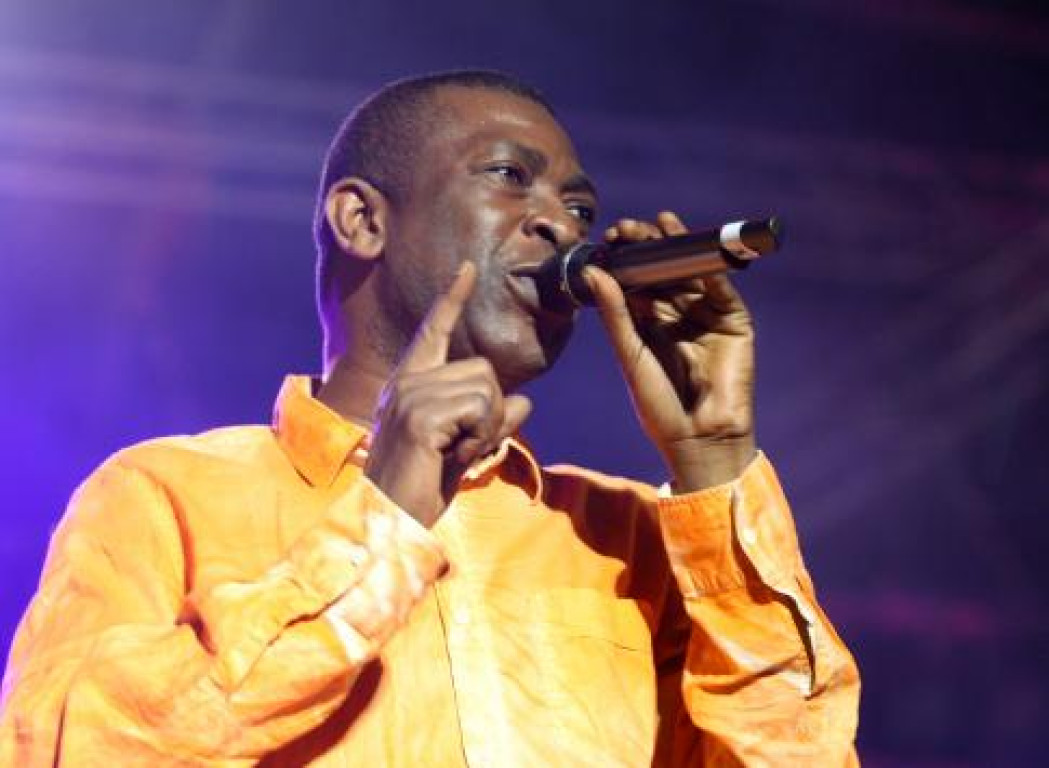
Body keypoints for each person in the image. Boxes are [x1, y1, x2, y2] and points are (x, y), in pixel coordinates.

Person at [0, 70, 860, 766]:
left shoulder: (631, 536)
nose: (559, 225)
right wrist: (382, 525)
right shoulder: (164, 494)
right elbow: (77, 751)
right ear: (363, 220)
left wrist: (714, 463)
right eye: (508, 176)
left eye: (580, 210)